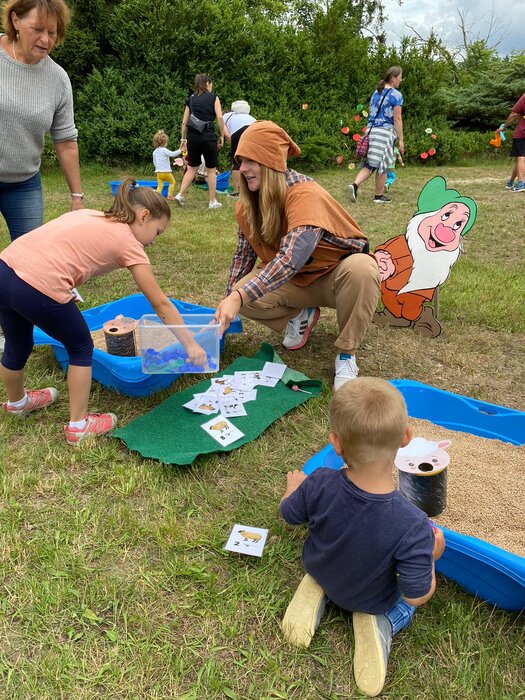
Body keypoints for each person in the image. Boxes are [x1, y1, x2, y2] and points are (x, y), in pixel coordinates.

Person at [0, 178, 207, 445]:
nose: (155, 242)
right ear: (144, 216)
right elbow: (160, 303)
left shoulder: (91, 214)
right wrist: (190, 344)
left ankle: (17, 403)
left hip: (5, 269)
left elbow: (58, 247)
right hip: (38, 285)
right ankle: (79, 426)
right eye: (158, 232)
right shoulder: (129, 243)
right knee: (81, 346)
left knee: (17, 342)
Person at [279, 378, 445, 697]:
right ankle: (383, 622)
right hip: (373, 598)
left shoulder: (319, 482)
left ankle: (318, 587)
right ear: (406, 437)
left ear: (336, 443)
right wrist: (432, 557)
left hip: (323, 568)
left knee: (329, 567)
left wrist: (293, 489)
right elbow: (416, 595)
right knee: (404, 606)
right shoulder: (414, 525)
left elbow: (289, 514)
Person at [214, 120, 380, 391]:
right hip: (295, 282)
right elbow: (242, 258)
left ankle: (346, 354)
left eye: (249, 161)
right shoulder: (247, 206)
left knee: (363, 269)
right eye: (240, 161)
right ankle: (301, 314)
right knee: (239, 294)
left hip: (336, 277)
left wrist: (238, 296)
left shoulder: (305, 194)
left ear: (270, 162)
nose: (241, 169)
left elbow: (292, 257)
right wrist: (228, 302)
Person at [0, 0, 83, 241]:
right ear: (16, 20)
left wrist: (77, 196)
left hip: (23, 183)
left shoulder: (58, 79)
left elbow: (66, 141)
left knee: (31, 253)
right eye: (37, 29)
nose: (45, 40)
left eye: (52, 32)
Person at [349, 66, 404, 204]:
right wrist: (401, 139)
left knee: (370, 163)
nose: (401, 80)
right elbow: (397, 119)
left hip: (371, 131)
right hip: (385, 133)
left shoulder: (376, 92)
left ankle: (354, 185)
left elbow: (371, 112)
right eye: (400, 77)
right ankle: (378, 196)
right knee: (382, 165)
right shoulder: (396, 95)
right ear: (393, 78)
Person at [174, 74, 225, 209]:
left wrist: (183, 139)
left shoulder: (190, 99)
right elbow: (220, 118)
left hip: (193, 137)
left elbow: (184, 122)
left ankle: (180, 194)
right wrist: (222, 135)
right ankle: (212, 201)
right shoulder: (213, 97)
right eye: (211, 83)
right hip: (208, 136)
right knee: (211, 169)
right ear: (207, 83)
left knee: (192, 167)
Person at [222, 100, 256, 197]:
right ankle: (251, 189)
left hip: (238, 132)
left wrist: (234, 148)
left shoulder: (224, 117)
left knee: (237, 161)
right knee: (251, 160)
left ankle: (236, 191)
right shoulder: (251, 118)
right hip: (254, 131)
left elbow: (228, 136)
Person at [498, 92, 525, 193]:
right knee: (521, 159)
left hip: (522, 133)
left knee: (521, 157)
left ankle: (520, 184)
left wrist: (504, 127)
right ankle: (511, 182)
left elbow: (514, 114)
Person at [152, 129, 182, 201]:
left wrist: (157, 168)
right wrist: (181, 150)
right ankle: (169, 196)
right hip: (166, 172)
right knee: (172, 182)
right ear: (164, 143)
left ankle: (156, 196)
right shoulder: (164, 150)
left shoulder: (154, 152)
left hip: (158, 172)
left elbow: (154, 162)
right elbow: (172, 154)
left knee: (160, 185)